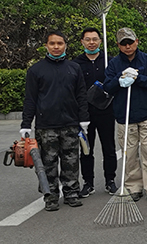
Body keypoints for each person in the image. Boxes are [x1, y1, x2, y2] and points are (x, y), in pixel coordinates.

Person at [20, 30, 89, 211]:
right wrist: (26, 124)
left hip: (70, 123)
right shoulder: (36, 70)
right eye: (52, 43)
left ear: (66, 45)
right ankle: (50, 196)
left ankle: (71, 193)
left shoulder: (74, 68)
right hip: (46, 126)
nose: (56, 47)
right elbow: (30, 99)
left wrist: (84, 119)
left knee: (71, 161)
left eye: (60, 43)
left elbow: (81, 96)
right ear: (46, 46)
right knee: (48, 163)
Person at [104, 28, 147, 203]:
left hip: (146, 113)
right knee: (129, 154)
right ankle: (134, 186)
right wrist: (120, 78)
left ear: (136, 41)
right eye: (124, 44)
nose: (127, 46)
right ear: (118, 45)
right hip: (125, 115)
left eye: (130, 42)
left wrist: (138, 78)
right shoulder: (114, 64)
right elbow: (107, 87)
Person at [73, 27, 118, 198]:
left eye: (94, 39)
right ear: (82, 42)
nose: (91, 43)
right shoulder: (76, 64)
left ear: (100, 41)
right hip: (85, 114)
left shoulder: (109, 61)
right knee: (86, 149)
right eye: (88, 39)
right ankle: (88, 183)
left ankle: (110, 180)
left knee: (109, 148)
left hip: (106, 111)